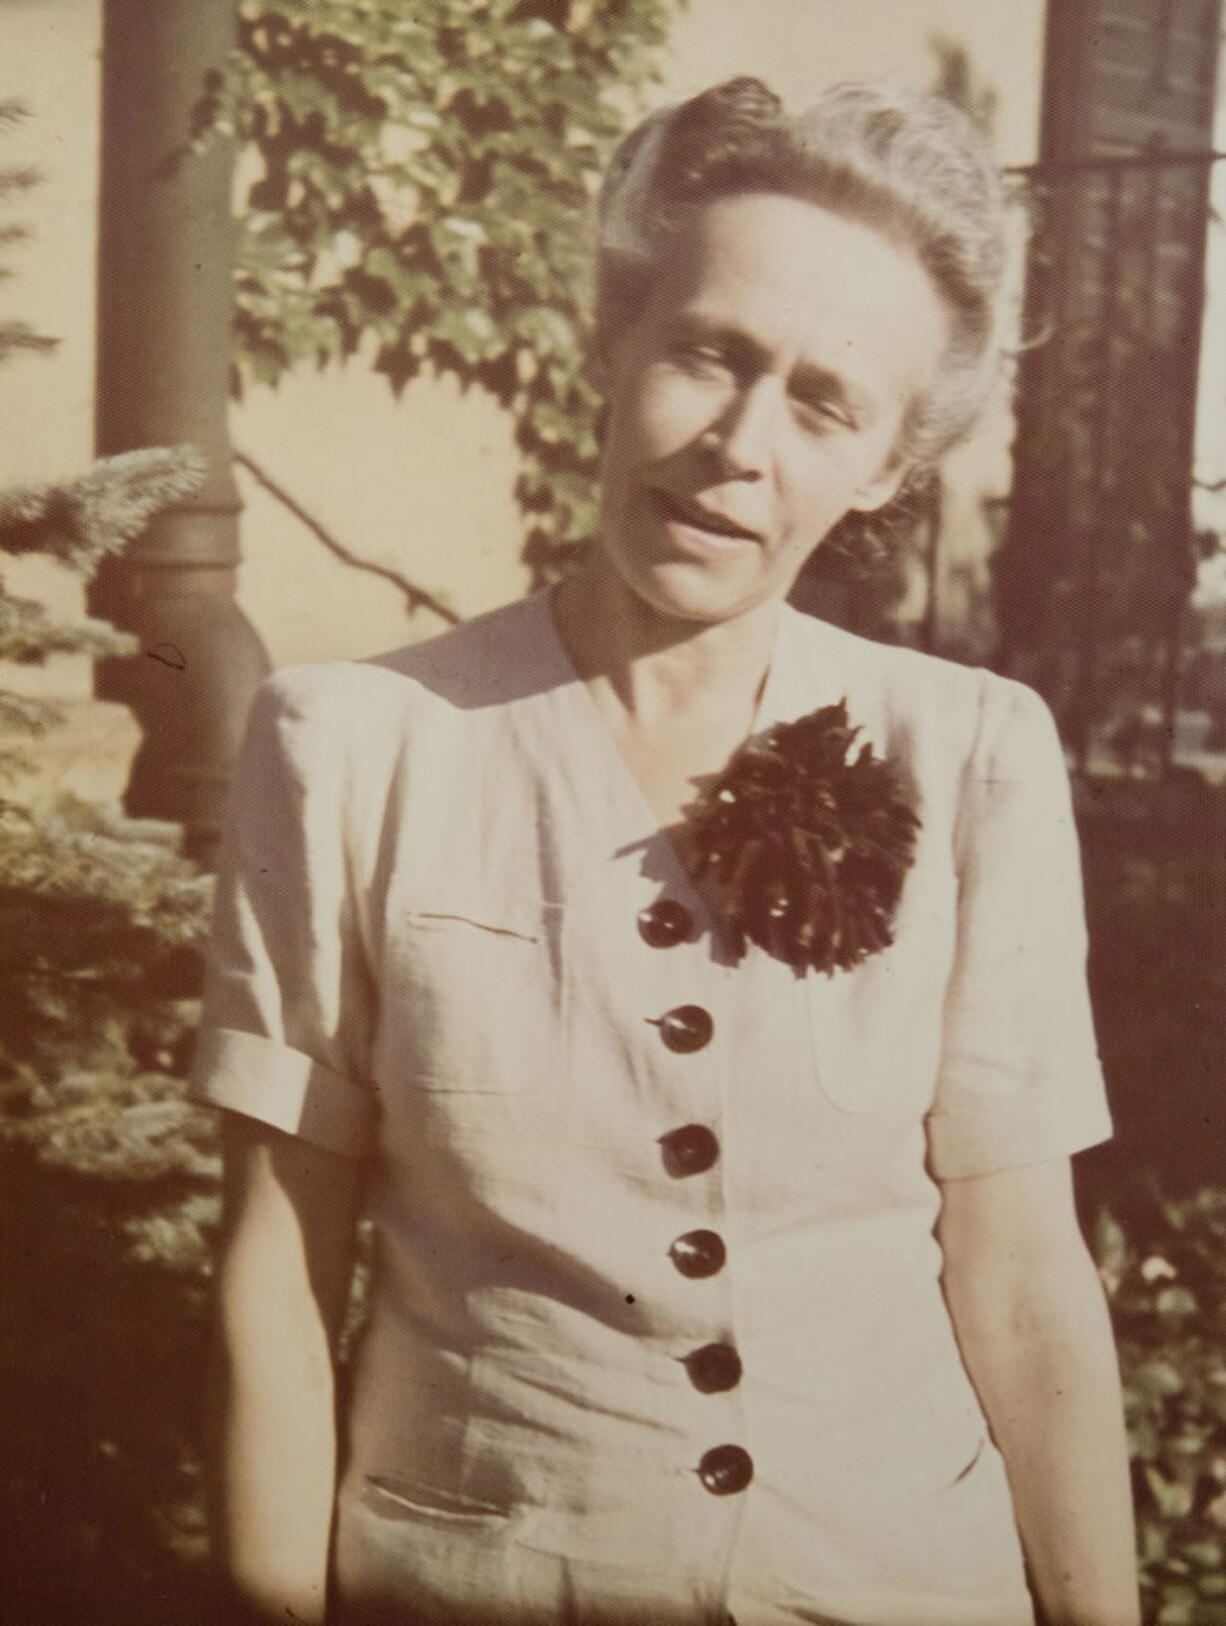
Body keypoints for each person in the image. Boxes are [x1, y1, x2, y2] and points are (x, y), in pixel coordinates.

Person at [192, 78, 1141, 1626]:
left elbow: (1026, 1280)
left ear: (885, 469)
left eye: (824, 402)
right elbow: (274, 1280)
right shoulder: (351, 746)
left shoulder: (971, 753)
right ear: (611, 347)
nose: (738, 445)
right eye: (706, 353)